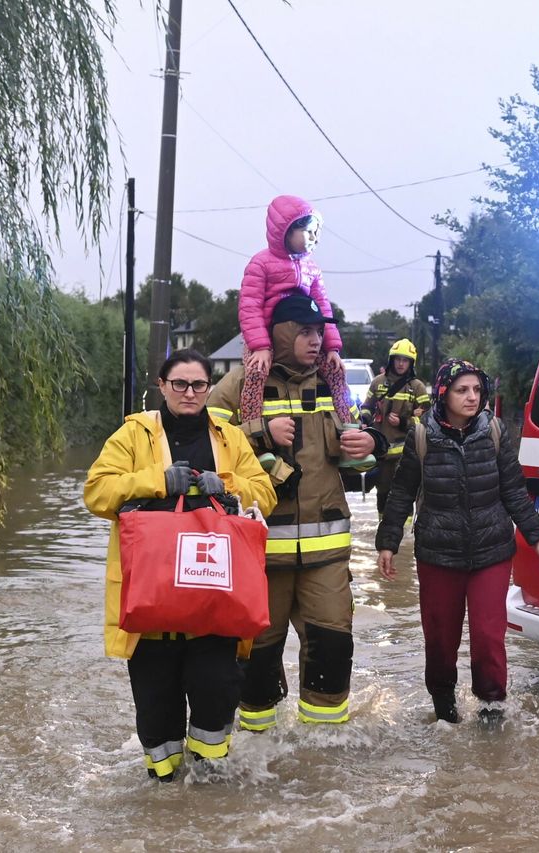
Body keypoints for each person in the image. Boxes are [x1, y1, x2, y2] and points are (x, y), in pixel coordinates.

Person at [84, 349, 276, 782]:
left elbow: (265, 495)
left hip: (215, 600)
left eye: (199, 385)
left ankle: (208, 789)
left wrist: (226, 486)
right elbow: (96, 492)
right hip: (155, 602)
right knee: (156, 710)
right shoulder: (132, 434)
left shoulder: (229, 436)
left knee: (215, 699)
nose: (190, 393)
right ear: (162, 385)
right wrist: (155, 481)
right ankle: (165, 790)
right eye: (180, 384)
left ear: (210, 388)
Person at [206, 294, 387, 730]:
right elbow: (206, 448)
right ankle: (258, 748)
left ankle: (323, 757)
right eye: (304, 332)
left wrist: (371, 445)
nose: (315, 340)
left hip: (326, 554)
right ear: (280, 334)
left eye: (318, 332)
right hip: (259, 555)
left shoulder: (335, 383)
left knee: (332, 647)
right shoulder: (239, 385)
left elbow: (356, 452)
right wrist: (261, 434)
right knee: (256, 655)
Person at [375, 358, 539, 723]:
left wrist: (537, 539)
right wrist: (388, 543)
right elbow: (402, 493)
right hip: (438, 554)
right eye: (462, 390)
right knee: (440, 641)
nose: (472, 397)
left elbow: (514, 490)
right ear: (444, 394)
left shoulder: (494, 431)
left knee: (489, 638)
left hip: (491, 551)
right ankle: (445, 710)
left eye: (477, 390)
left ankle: (491, 711)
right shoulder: (422, 435)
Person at [237, 194, 352, 425]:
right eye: (309, 232)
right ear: (287, 230)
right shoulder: (261, 263)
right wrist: (260, 346)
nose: (315, 238)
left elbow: (323, 309)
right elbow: (250, 307)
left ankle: (348, 426)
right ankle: (255, 428)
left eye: (317, 233)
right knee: (256, 374)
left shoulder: (312, 268)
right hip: (266, 340)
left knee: (335, 371)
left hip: (303, 332)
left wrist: (332, 347)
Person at [359, 338, 431, 513]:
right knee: (382, 492)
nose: (400, 363)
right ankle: (383, 528)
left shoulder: (417, 387)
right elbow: (367, 407)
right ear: (391, 359)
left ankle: (406, 535)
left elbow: (428, 420)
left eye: (405, 360)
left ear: (411, 363)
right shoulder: (377, 382)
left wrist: (403, 422)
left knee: (404, 493)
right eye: (398, 359)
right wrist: (364, 421)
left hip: (407, 453)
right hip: (382, 452)